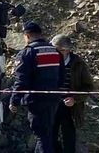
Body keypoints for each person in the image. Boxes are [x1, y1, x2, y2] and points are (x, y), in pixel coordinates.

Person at [10, 21, 63, 153]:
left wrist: (14, 100)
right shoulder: (55, 52)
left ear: (27, 36)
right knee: (46, 134)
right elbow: (62, 76)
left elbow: (21, 80)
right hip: (53, 99)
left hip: (36, 100)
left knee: (41, 135)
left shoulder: (28, 53)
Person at [50, 34, 94, 153]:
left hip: (70, 108)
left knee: (69, 138)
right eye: (55, 50)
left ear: (68, 50)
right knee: (49, 138)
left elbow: (89, 87)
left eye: (61, 51)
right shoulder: (48, 61)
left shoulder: (78, 64)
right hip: (50, 106)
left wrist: (74, 99)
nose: (57, 53)